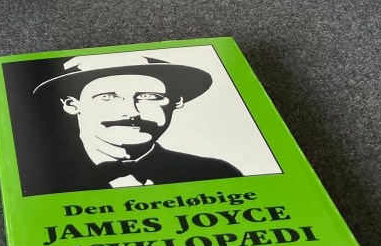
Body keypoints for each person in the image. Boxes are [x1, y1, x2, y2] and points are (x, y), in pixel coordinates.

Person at [31, 52, 242, 191]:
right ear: (71, 104)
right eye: (108, 97)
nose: (131, 112)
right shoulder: (38, 179)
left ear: (176, 102)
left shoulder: (215, 174)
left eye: (149, 97)